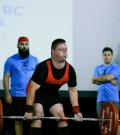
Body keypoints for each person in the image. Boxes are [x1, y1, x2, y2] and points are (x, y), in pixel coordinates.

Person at [24, 38, 83, 135]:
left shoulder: (70, 70)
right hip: (37, 94)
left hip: (52, 94)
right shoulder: (43, 67)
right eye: (61, 50)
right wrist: (29, 110)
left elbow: (72, 91)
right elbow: (32, 89)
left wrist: (76, 111)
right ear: (53, 51)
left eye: (66, 50)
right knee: (38, 116)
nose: (65, 52)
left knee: (61, 117)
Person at [3, 36, 39, 135]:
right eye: (22, 44)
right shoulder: (10, 60)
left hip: (31, 96)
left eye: (26, 44)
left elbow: (39, 78)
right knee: (18, 120)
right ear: (17, 45)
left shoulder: (35, 60)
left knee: (34, 120)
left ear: (29, 46)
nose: (24, 46)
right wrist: (7, 94)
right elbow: (6, 77)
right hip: (17, 95)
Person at [92, 47, 120, 135]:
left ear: (111, 56)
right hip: (100, 101)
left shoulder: (117, 67)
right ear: (102, 56)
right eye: (105, 55)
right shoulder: (98, 68)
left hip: (113, 100)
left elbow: (111, 80)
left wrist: (100, 79)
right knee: (103, 125)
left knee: (116, 124)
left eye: (108, 55)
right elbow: (93, 80)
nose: (106, 57)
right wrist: (109, 79)